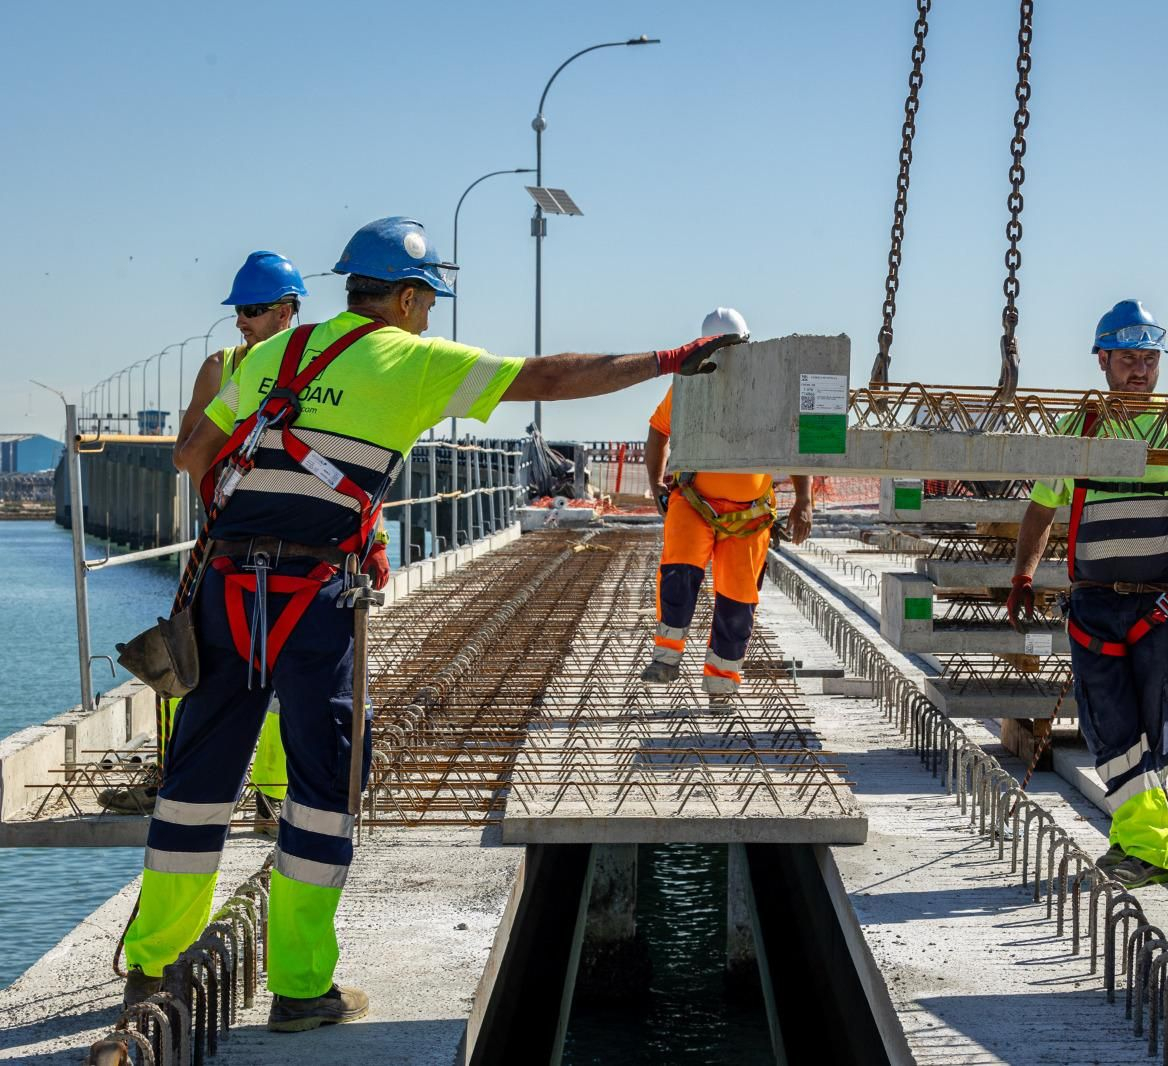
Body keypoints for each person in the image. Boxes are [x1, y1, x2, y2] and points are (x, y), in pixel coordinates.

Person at [121, 217, 743, 1030]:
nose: (430, 316)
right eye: (428, 302)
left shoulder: (276, 352)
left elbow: (195, 455)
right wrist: (669, 361)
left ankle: (151, 964)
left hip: (229, 591)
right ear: (409, 298)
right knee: (322, 791)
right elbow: (552, 376)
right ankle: (302, 987)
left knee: (195, 787)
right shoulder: (412, 360)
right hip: (313, 603)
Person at [1006, 299, 1168, 889]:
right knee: (1108, 726)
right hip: (1095, 606)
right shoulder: (1078, 430)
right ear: (1102, 360)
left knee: (1154, 725)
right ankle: (1137, 841)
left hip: (1157, 605)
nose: (1141, 369)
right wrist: (1023, 574)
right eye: (1129, 358)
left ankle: (1144, 847)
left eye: (1150, 359)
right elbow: (1040, 510)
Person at [99, 251, 307, 826]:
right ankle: (194, 779)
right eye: (239, 309)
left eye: (255, 310)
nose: (243, 319)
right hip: (229, 547)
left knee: (287, 676)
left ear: (288, 311)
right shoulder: (224, 366)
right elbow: (186, 454)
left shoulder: (313, 366)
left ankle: (273, 792)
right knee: (214, 665)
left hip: (299, 549)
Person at [641, 308, 813, 696]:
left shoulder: (768, 390)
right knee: (679, 577)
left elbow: (796, 441)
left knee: (738, 603)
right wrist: (656, 485)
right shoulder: (688, 386)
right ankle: (666, 657)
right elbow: (658, 431)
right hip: (695, 502)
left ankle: (721, 682)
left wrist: (804, 498)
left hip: (749, 515)